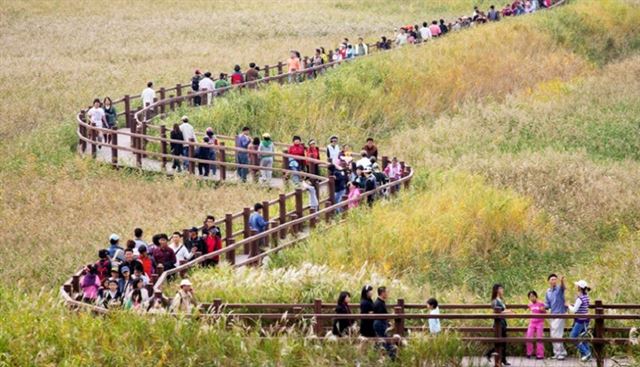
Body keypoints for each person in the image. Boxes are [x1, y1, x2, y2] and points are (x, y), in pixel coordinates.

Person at [484, 284, 512, 365]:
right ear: (497, 290)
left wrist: (507, 311)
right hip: (498, 324)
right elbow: (496, 311)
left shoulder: (500, 299)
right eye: (501, 289)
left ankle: (502, 359)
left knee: (504, 341)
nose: (502, 290)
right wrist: (508, 312)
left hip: (503, 322)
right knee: (500, 342)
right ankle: (491, 354)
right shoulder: (494, 300)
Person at [567, 280, 592, 362]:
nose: (576, 287)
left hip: (580, 321)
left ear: (580, 288)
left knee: (573, 337)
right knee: (583, 337)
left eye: (577, 286)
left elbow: (574, 310)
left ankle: (586, 353)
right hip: (586, 320)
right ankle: (588, 355)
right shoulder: (586, 297)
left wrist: (568, 305)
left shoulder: (580, 298)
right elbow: (582, 307)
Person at [545, 274, 568, 360]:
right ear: (549, 281)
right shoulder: (548, 291)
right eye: (552, 279)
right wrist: (543, 308)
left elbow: (563, 287)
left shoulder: (559, 289)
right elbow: (547, 304)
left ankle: (560, 353)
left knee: (558, 334)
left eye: (555, 279)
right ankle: (558, 352)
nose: (554, 281)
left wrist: (562, 280)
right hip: (552, 314)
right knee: (553, 334)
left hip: (560, 313)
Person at [373, 287, 396, 359]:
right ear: (382, 293)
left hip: (381, 323)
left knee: (382, 340)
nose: (388, 294)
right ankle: (392, 357)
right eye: (387, 292)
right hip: (379, 323)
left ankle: (376, 355)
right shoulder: (379, 303)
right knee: (385, 340)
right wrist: (391, 316)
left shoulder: (381, 302)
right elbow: (382, 315)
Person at [526, 290, 546, 360]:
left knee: (539, 338)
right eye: (530, 297)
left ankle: (540, 355)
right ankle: (529, 353)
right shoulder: (530, 304)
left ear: (536, 296)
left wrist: (542, 310)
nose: (532, 298)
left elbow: (545, 312)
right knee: (528, 337)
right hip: (532, 322)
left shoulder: (541, 303)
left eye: (533, 296)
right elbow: (527, 308)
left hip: (540, 322)